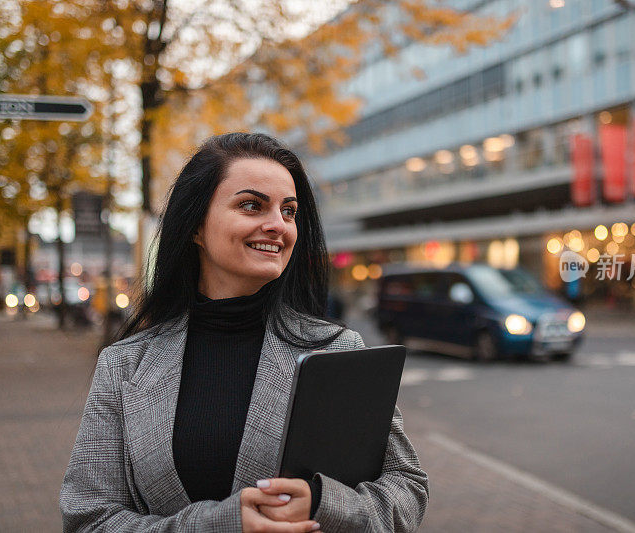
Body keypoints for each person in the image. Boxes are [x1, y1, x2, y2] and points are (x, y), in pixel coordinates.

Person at [59, 133, 428, 532]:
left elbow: (407, 491)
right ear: (195, 227)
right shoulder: (125, 365)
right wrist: (218, 525)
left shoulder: (337, 351)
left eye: (289, 212)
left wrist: (323, 503)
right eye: (251, 205)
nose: (277, 226)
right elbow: (89, 519)